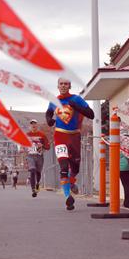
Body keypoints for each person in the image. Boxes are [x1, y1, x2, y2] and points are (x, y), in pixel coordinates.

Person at [46, 77, 94, 210]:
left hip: (74, 136)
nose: (63, 86)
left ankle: (72, 181)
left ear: (70, 86)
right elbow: (49, 112)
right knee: (63, 168)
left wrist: (76, 106)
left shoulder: (76, 99)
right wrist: (49, 120)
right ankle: (68, 198)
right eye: (61, 84)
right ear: (57, 86)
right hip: (60, 135)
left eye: (66, 84)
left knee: (75, 167)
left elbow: (91, 114)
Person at [25, 119, 50, 197]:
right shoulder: (27, 135)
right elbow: (22, 144)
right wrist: (22, 149)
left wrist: (42, 145)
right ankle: (33, 190)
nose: (33, 125)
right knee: (32, 170)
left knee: (38, 172)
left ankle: (37, 184)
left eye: (35, 124)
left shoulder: (42, 135)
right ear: (30, 126)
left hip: (39, 156)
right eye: (32, 124)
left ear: (37, 125)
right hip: (30, 156)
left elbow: (48, 146)